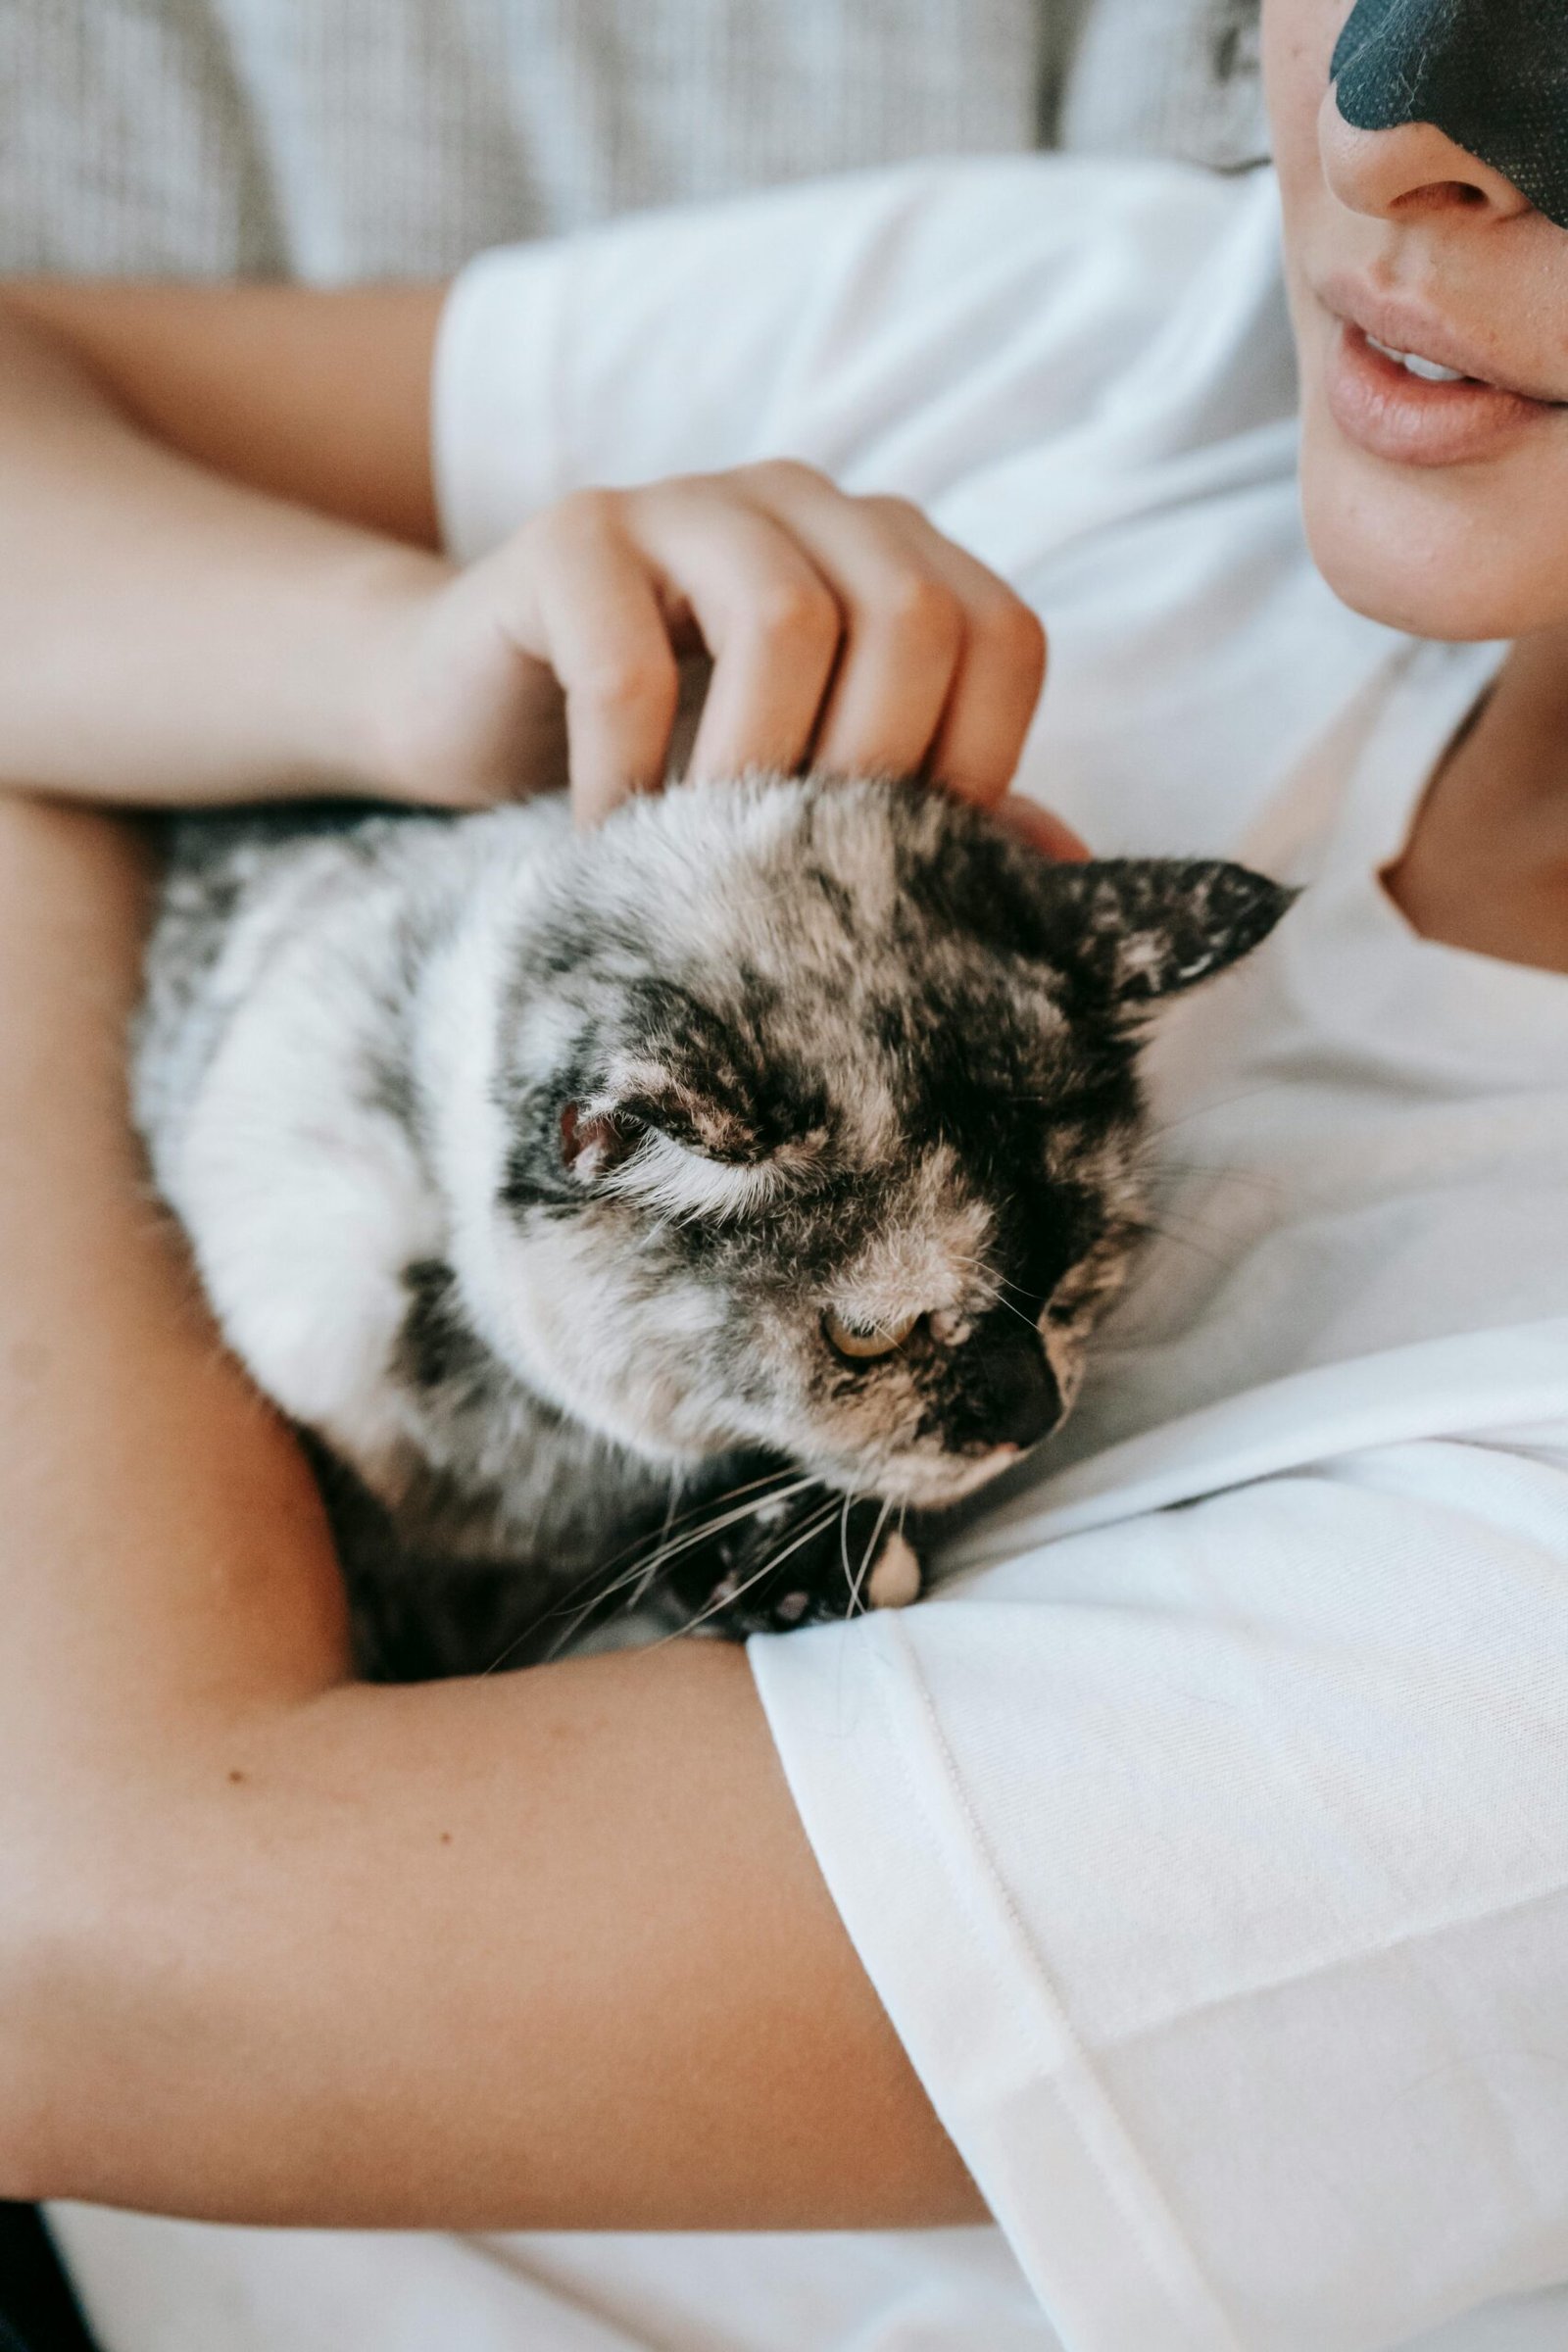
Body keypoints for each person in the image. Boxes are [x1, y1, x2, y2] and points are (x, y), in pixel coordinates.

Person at [1, 0, 1566, 2344]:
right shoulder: (1162, 346)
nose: (1401, 122)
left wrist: (66, 782)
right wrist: (370, 662)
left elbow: (62, 1960)